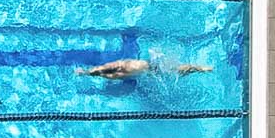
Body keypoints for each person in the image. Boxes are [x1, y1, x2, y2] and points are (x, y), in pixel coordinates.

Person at [76, 58, 213, 80]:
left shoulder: (117, 70)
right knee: (175, 70)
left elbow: (102, 70)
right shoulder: (118, 68)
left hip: (147, 68)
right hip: (147, 68)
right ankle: (200, 68)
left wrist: (86, 72)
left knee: (174, 70)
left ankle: (200, 68)